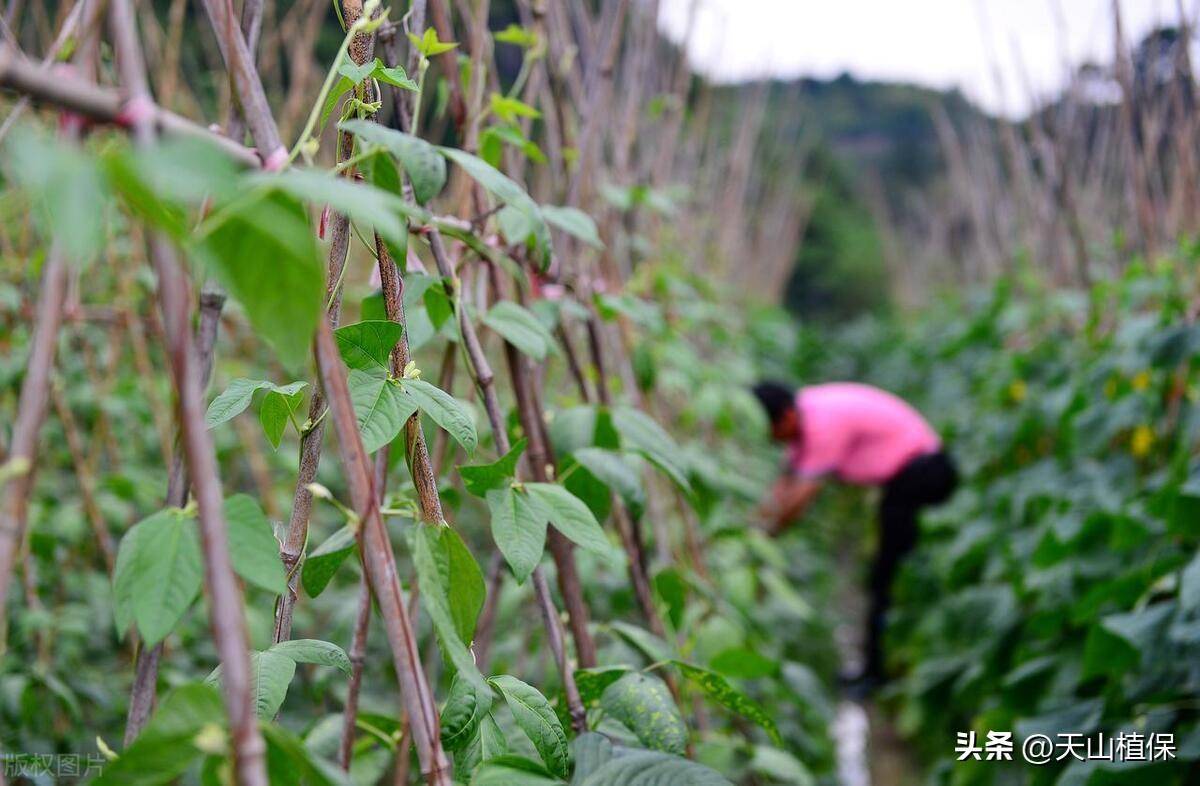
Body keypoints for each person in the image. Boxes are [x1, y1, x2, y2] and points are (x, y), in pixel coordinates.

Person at [752, 380, 958, 689]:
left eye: (771, 431)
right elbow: (784, 485)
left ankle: (878, 674)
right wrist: (754, 526)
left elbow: (801, 496)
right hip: (909, 475)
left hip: (925, 473)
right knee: (888, 569)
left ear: (785, 418)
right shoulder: (804, 412)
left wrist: (763, 538)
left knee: (886, 575)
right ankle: (879, 664)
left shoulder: (821, 423)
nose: (771, 440)